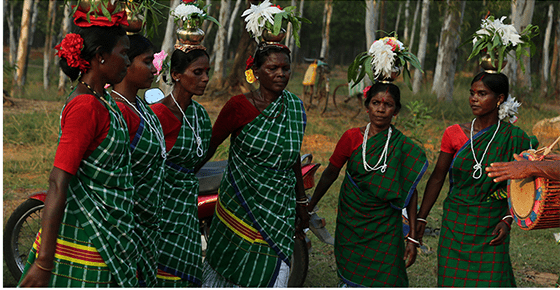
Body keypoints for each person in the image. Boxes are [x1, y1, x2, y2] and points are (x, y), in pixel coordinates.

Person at [18, 10, 142, 287]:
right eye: (123, 54)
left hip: (109, 233)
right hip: (88, 235)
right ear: (100, 56)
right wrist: (43, 262)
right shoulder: (85, 107)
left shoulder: (104, 100)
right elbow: (58, 182)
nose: (127, 61)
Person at [200, 42, 308, 287]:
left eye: (285, 68)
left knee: (275, 268)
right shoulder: (238, 107)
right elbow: (211, 146)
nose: (281, 74)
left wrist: (301, 202)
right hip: (240, 204)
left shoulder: (294, 107)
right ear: (256, 72)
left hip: (279, 208)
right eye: (273, 68)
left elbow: (293, 156)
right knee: (232, 270)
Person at [416, 72, 534, 287]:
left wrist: (508, 220)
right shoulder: (454, 133)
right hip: (455, 223)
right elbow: (437, 178)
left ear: (499, 98)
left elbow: (522, 186)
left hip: (492, 225)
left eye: (482, 94)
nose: (474, 99)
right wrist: (422, 217)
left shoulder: (515, 138)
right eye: (472, 93)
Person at [307, 83, 427, 287]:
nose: (381, 109)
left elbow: (410, 192)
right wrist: (309, 207)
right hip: (351, 223)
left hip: (385, 227)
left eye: (388, 104)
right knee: (352, 274)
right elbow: (330, 173)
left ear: (396, 110)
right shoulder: (351, 138)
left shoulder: (403, 147)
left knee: (388, 276)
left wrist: (413, 238)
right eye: (375, 103)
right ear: (367, 106)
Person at [151, 46, 212, 287]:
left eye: (207, 72)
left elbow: (200, 159)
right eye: (197, 72)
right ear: (176, 74)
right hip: (159, 206)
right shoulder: (157, 115)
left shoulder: (200, 115)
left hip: (186, 208)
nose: (205, 78)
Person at [110, 34, 166, 287]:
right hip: (125, 225)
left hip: (147, 222)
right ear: (125, 62)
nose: (154, 68)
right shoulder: (117, 111)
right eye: (146, 61)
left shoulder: (140, 106)